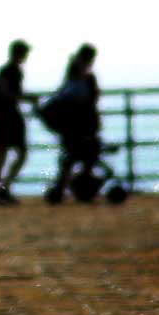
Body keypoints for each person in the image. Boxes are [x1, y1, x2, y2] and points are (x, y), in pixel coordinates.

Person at [0, 40, 37, 205]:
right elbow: (9, 93)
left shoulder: (4, 71)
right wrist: (27, 98)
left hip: (0, 117)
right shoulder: (13, 71)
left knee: (1, 155)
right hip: (10, 117)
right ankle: (3, 188)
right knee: (20, 153)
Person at [51, 44, 101, 201]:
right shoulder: (86, 79)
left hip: (71, 125)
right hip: (83, 124)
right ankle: (81, 188)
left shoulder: (71, 78)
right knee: (85, 156)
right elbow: (92, 99)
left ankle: (63, 188)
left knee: (70, 157)